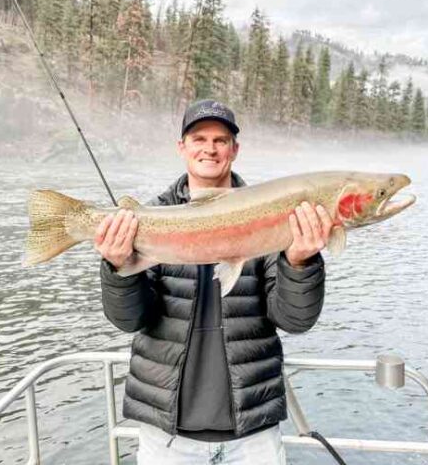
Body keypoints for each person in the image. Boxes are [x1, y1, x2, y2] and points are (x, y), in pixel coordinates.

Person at [94, 99, 333, 465]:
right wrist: (117, 266)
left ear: (234, 150)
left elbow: (295, 321)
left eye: (221, 140)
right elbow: (130, 320)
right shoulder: (149, 218)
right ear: (182, 147)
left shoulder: (273, 215)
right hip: (166, 435)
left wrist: (300, 262)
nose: (210, 148)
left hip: (252, 433)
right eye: (199, 138)